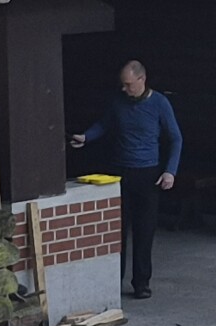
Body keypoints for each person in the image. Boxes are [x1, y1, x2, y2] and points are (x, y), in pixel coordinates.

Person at [70, 60, 181, 300]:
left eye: (129, 84)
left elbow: (175, 138)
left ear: (142, 80)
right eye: (123, 84)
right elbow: (105, 124)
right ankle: (114, 281)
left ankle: (142, 282)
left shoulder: (160, 103)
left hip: (148, 173)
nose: (125, 89)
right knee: (118, 230)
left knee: (145, 230)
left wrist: (170, 171)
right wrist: (86, 137)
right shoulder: (118, 101)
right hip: (120, 171)